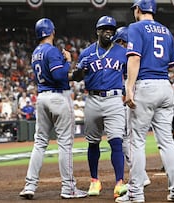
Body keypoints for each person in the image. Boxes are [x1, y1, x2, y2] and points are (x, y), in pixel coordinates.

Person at [116, 0, 174, 202]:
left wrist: (129, 87)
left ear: (138, 9)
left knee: (136, 141)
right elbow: (171, 62)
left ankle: (135, 193)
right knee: (166, 141)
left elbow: (134, 58)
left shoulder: (135, 27)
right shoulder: (166, 31)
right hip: (165, 86)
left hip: (145, 86)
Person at [19, 18, 88, 200]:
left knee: (40, 143)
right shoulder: (51, 51)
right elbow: (59, 75)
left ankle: (30, 185)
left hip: (42, 98)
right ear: (52, 32)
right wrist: (68, 61)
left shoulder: (36, 52)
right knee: (65, 144)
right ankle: (68, 188)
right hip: (57, 97)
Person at [74, 15, 128, 199]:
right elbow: (77, 77)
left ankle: (119, 182)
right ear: (97, 31)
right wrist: (81, 70)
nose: (109, 31)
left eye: (111, 29)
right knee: (93, 141)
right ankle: (94, 180)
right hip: (93, 99)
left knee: (116, 141)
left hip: (114, 99)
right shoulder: (87, 52)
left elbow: (130, 75)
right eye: (105, 28)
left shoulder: (121, 52)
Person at [113, 26, 151, 187]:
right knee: (134, 138)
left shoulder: (128, 55)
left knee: (128, 139)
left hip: (135, 96)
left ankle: (139, 177)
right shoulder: (141, 51)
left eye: (119, 42)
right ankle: (141, 175)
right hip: (148, 93)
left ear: (122, 41)